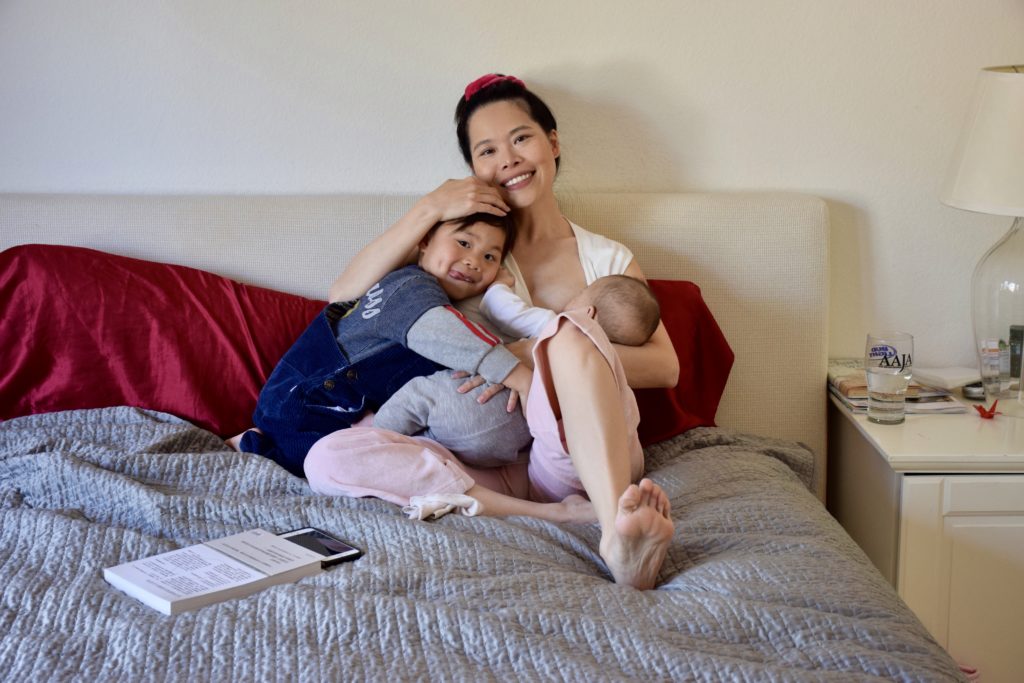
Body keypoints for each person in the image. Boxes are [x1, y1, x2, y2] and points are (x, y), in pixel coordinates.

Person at [308, 73, 680, 590]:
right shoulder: (470, 254)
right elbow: (345, 294)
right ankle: (520, 512)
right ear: (473, 171)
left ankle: (616, 531)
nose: (507, 158)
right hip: (472, 459)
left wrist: (534, 354)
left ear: (552, 143)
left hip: (573, 455)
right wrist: (431, 207)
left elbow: (666, 367)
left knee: (570, 337)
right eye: (487, 150)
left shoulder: (606, 258)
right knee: (327, 457)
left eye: (521, 138)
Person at [233, 212, 533, 478]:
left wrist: (499, 293)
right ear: (425, 242)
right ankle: (253, 445)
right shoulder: (408, 287)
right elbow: (442, 333)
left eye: (490, 257)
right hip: (305, 403)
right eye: (465, 244)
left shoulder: (447, 304)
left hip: (342, 411)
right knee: (327, 462)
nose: (473, 262)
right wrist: (516, 374)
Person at [374, 272, 662, 466]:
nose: (572, 300)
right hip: (506, 444)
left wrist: (501, 283)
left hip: (470, 399)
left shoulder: (557, 326)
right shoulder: (602, 378)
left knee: (419, 395)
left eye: (582, 294)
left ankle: (372, 441)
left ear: (589, 314)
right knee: (436, 445)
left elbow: (503, 310)